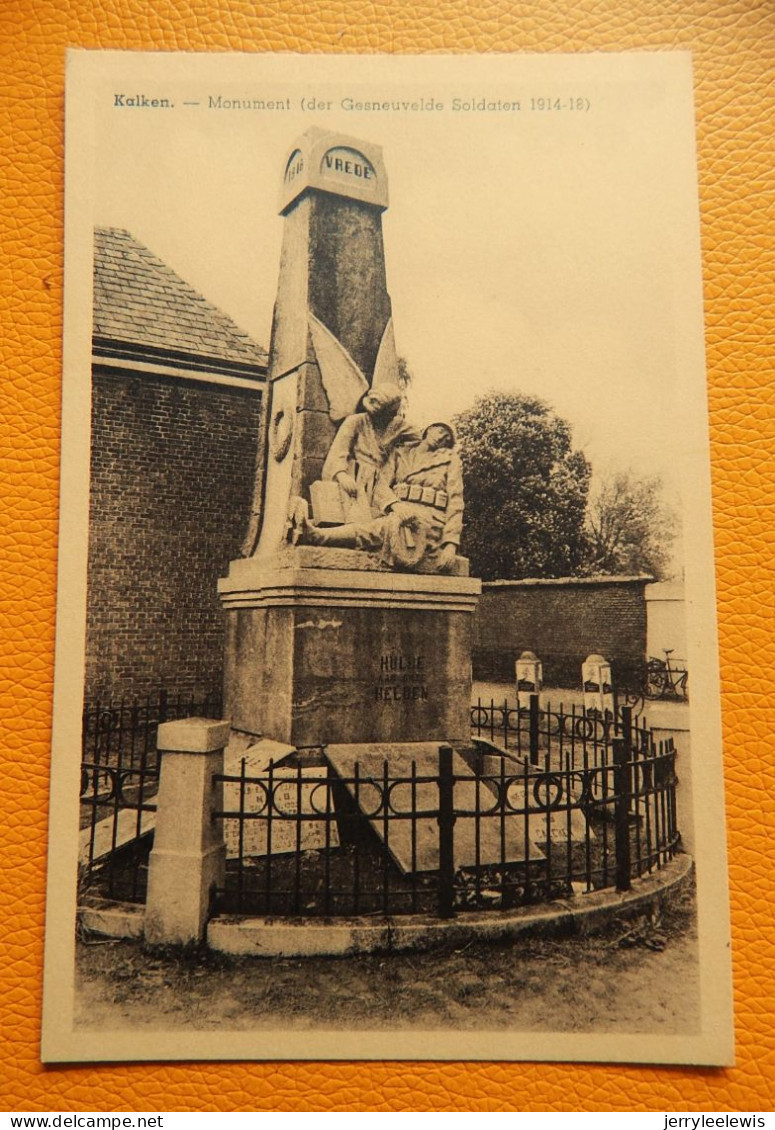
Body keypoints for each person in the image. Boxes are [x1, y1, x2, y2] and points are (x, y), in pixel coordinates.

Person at [292, 422, 463, 574]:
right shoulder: (400, 453)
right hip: (399, 511)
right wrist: (395, 505)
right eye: (440, 432)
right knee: (368, 521)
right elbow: (381, 485)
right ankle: (319, 533)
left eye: (447, 439)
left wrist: (450, 545)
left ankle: (317, 537)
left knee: (380, 527)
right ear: (429, 430)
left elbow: (456, 502)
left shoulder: (449, 460)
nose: (442, 438)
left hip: (428, 521)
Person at [321, 382, 418, 522]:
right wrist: (341, 474)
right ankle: (393, 505)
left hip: (385, 475)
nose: (393, 415)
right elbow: (338, 452)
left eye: (394, 411)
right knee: (365, 473)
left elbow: (422, 439)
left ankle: (392, 504)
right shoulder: (355, 421)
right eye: (390, 412)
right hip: (358, 476)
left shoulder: (397, 425)